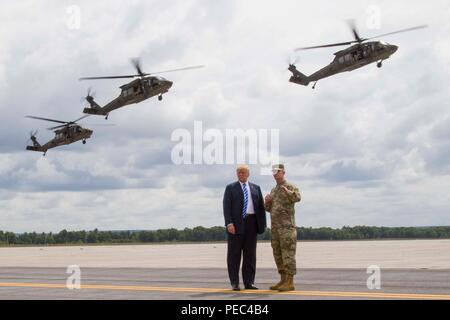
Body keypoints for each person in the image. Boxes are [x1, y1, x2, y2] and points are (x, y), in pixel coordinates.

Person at [223, 165, 267, 291]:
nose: (240, 174)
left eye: (243, 172)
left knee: (250, 255)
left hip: (252, 223)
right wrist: (229, 223)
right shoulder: (230, 188)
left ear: (248, 173)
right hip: (236, 225)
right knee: (234, 255)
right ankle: (235, 283)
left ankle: (249, 282)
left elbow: (260, 208)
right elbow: (226, 207)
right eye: (238, 172)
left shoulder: (256, 188)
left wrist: (262, 225)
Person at [264, 164, 301, 291]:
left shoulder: (290, 186)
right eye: (274, 172)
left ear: (283, 172)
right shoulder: (274, 190)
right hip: (275, 229)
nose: (275, 174)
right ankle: (283, 280)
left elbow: (297, 197)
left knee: (288, 255)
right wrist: (267, 202)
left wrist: (289, 192)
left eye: (277, 172)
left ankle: (290, 282)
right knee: (278, 254)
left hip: (287, 228)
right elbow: (269, 209)